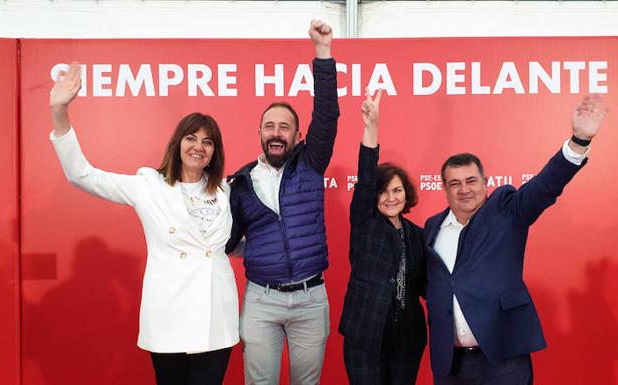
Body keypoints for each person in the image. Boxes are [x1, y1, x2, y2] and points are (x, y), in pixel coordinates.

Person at [49, 63, 239, 385]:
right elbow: (81, 174)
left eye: (207, 142)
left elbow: (233, 243)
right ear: (178, 143)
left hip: (215, 311)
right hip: (169, 312)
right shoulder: (148, 185)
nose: (198, 147)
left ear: (214, 152)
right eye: (191, 138)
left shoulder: (226, 190)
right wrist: (59, 111)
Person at [424, 94, 608, 385]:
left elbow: (544, 186)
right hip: (450, 365)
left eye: (471, 181)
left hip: (502, 357)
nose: (464, 190)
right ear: (444, 189)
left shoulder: (506, 210)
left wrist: (578, 142)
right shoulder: (432, 227)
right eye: (454, 183)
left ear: (485, 184)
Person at [225, 20, 339, 385]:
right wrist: (254, 251)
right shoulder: (239, 182)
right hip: (261, 300)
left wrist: (323, 53)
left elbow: (326, 115)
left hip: (310, 298)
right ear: (259, 133)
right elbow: (228, 239)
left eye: (284, 126)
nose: (276, 133)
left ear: (297, 135)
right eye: (269, 126)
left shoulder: (310, 163)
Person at [339, 89, 427, 385]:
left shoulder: (418, 235)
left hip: (407, 339)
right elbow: (365, 176)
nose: (390, 197)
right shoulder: (365, 222)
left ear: (407, 194)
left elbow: (429, 283)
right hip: (365, 335)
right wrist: (371, 127)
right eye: (383, 190)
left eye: (397, 190)